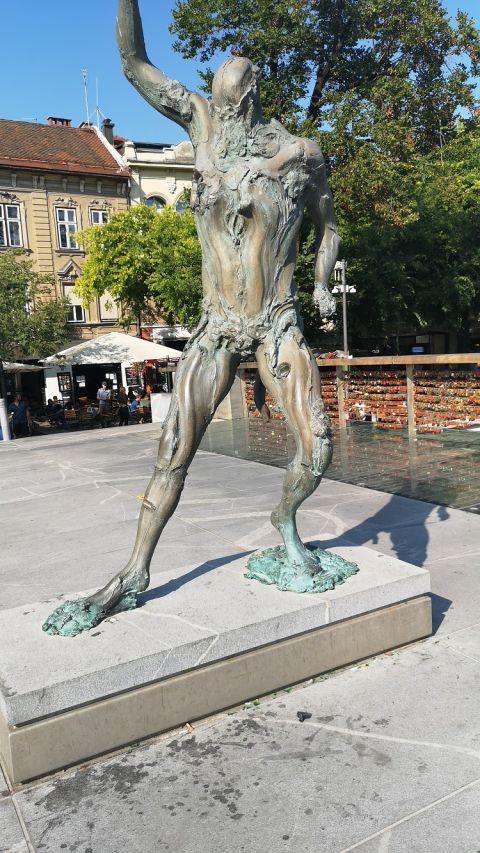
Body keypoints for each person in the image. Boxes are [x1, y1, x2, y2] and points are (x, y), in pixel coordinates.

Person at [43, 0, 339, 634]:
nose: (219, 103)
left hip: (277, 322)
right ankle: (134, 572)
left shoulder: (300, 154)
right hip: (217, 327)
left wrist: (319, 283)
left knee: (318, 453)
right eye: (216, 95)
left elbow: (331, 229)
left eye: (230, 95)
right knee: (173, 454)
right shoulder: (202, 123)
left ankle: (285, 521)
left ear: (252, 94)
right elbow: (133, 62)